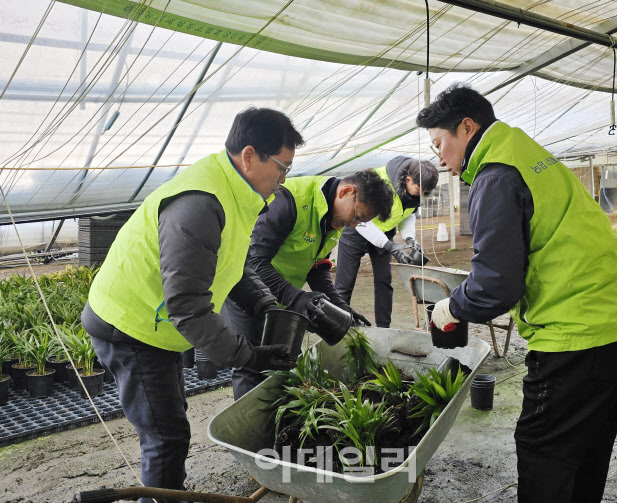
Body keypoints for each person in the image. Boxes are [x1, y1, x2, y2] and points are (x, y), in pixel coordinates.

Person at [417, 83, 617, 503]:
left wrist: (451, 306)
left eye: (441, 143)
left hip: (582, 334)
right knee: (586, 449)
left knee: (543, 451)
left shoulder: (495, 174)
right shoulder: (527, 153)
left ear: (468, 127)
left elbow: (496, 284)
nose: (440, 158)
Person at [81, 107, 304, 501]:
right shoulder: (200, 202)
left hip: (158, 326)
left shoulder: (237, 190)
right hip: (130, 325)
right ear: (250, 155)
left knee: (168, 416)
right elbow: (187, 306)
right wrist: (250, 356)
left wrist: (266, 304)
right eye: (282, 168)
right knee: (166, 435)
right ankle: (163, 495)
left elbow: (231, 263)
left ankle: (168, 489)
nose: (284, 180)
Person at [226, 169, 394, 399]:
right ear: (346, 191)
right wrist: (295, 298)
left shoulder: (334, 218)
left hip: (280, 298)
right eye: (356, 216)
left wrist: (341, 306)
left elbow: (316, 268)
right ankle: (245, 431)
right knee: (252, 365)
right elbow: (254, 262)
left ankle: (274, 422)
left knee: (281, 362)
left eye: (360, 222)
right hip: (247, 291)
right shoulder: (290, 201)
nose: (353, 225)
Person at [334, 156, 438, 327]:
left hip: (384, 233)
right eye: (420, 188)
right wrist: (391, 246)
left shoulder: (414, 193)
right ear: (407, 179)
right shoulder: (379, 182)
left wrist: (410, 238)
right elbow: (362, 220)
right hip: (357, 227)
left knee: (384, 282)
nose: (422, 193)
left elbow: (408, 214)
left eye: (426, 191)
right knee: (344, 284)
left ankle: (384, 328)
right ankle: (338, 325)